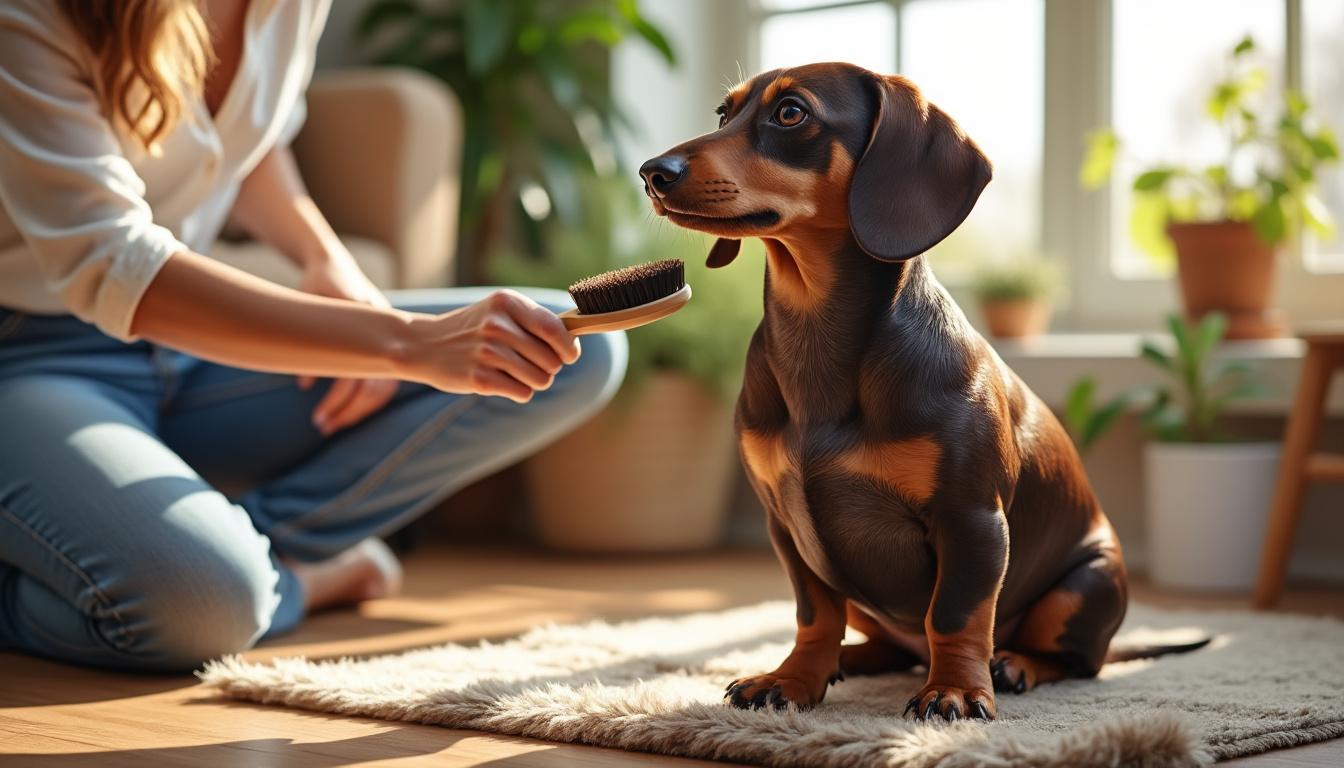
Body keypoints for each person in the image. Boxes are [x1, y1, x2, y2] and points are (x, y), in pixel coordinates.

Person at [0, 0, 626, 672]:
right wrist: (403, 341)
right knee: (209, 604)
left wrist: (324, 258)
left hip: (184, 351)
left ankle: (245, 546)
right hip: (31, 357)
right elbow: (111, 265)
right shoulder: (32, 14)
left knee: (572, 345)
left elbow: (245, 139)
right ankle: (281, 575)